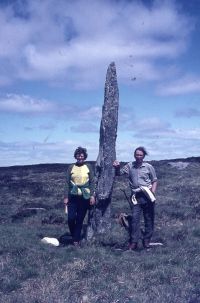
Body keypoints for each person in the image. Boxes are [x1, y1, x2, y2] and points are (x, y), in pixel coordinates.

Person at [113, 146, 157, 250]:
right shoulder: (129, 166)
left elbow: (154, 180)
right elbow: (118, 174)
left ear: (144, 156)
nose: (139, 157)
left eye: (141, 155)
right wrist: (117, 167)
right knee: (135, 220)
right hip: (135, 196)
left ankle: (146, 241)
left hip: (147, 195)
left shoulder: (149, 167)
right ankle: (134, 242)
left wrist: (153, 193)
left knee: (149, 219)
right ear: (134, 155)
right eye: (137, 155)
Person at [64, 146, 95, 246]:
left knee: (80, 219)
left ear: (84, 157)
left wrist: (92, 196)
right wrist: (66, 197)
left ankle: (76, 240)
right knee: (71, 218)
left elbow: (92, 182)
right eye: (78, 155)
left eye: (82, 156)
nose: (80, 157)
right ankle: (74, 235)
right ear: (75, 156)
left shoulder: (89, 166)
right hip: (73, 196)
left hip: (85, 197)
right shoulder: (71, 167)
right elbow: (67, 183)